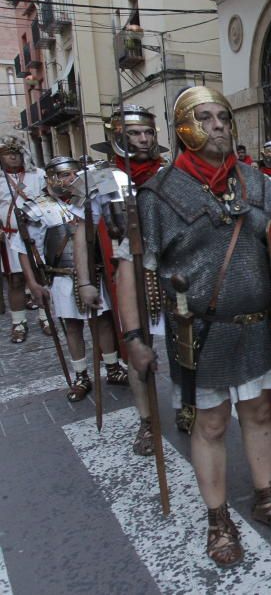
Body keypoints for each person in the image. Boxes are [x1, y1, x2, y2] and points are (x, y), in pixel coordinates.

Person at [133, 86, 271, 567]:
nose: (218, 125)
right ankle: (217, 519)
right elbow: (141, 268)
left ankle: (266, 497)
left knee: (258, 413)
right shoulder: (160, 193)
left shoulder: (257, 183)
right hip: (200, 332)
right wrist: (135, 336)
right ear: (185, 128)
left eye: (223, 116)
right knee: (210, 423)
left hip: (255, 326)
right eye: (206, 117)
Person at [75, 104, 175, 446]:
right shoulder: (100, 179)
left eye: (148, 132)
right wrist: (86, 281)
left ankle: (188, 404)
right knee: (137, 348)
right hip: (129, 276)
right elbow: (82, 233)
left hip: (174, 271)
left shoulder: (173, 174)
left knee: (187, 344)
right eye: (134, 133)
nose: (143, 139)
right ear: (117, 135)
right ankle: (147, 420)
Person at [15, 156, 121, 402]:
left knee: (102, 322)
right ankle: (81, 375)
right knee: (72, 327)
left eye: (72, 174)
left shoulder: (87, 202)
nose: (68, 179)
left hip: (93, 273)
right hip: (62, 277)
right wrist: (33, 283)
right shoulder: (39, 207)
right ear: (51, 177)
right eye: (63, 175)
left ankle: (113, 367)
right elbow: (23, 248)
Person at [1, 135, 49, 343]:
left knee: (40, 276)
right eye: (7, 153)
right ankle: (18, 322)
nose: (13, 157)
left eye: (16, 153)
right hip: (9, 238)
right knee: (16, 280)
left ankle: (45, 317)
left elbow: (49, 199)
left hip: (38, 235)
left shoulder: (37, 175)